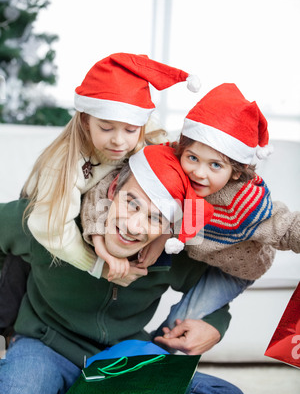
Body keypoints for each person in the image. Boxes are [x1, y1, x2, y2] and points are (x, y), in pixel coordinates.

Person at [0, 146, 247, 394]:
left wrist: (214, 325)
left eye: (155, 219)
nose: (134, 226)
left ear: (169, 230)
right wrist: (8, 321)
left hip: (121, 361)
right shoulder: (55, 223)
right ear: (113, 188)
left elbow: (210, 288)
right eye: (131, 203)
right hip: (46, 346)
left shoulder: (168, 254)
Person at [81, 83, 300, 348]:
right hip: (194, 250)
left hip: (235, 268)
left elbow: (288, 227)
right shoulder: (170, 162)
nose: (198, 172)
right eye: (193, 158)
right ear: (182, 150)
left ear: (236, 172)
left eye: (215, 165)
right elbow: (107, 186)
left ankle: (146, 367)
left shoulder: (246, 203)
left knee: (180, 323)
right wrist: (99, 237)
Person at [0, 52, 200, 332]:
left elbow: (188, 191)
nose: (119, 141)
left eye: (130, 129)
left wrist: (167, 233)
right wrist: (97, 265)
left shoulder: (150, 141)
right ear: (85, 121)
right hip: (35, 229)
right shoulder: (63, 165)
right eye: (106, 128)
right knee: (8, 309)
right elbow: (49, 227)